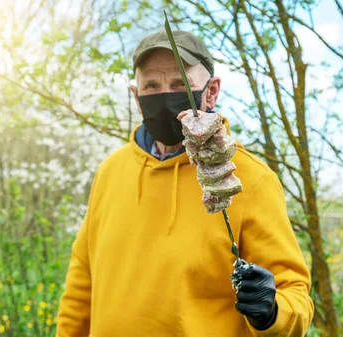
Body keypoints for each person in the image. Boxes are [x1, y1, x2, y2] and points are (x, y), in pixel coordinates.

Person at [55, 30, 314, 337]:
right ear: (136, 96)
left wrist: (272, 312)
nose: (165, 98)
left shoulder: (249, 179)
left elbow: (295, 293)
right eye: (152, 85)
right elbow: (82, 282)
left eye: (180, 84)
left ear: (211, 91)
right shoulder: (111, 172)